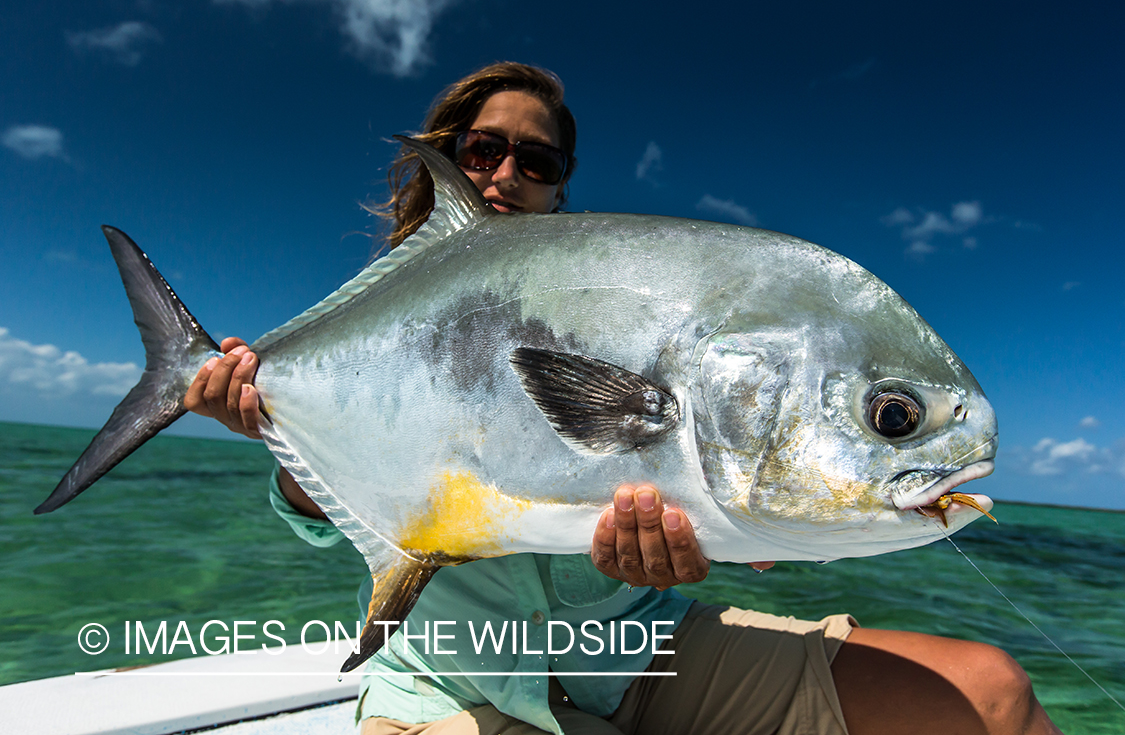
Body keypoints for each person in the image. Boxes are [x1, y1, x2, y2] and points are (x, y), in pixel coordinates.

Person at [186, 62, 1062, 735]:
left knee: (992, 695)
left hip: (638, 650)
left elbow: (738, 511)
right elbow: (321, 508)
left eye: (535, 158)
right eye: (480, 151)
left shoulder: (623, 292)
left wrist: (748, 536)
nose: (503, 173)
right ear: (453, 162)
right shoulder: (376, 320)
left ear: (561, 183)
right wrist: (269, 423)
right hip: (453, 670)